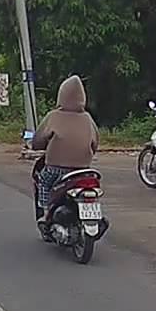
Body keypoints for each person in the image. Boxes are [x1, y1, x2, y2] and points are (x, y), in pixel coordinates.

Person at [30, 75, 99, 223]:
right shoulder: (87, 118)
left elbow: (38, 141)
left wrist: (37, 146)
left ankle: (45, 213)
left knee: (43, 182)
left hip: (56, 169)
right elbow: (95, 144)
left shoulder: (53, 117)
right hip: (83, 171)